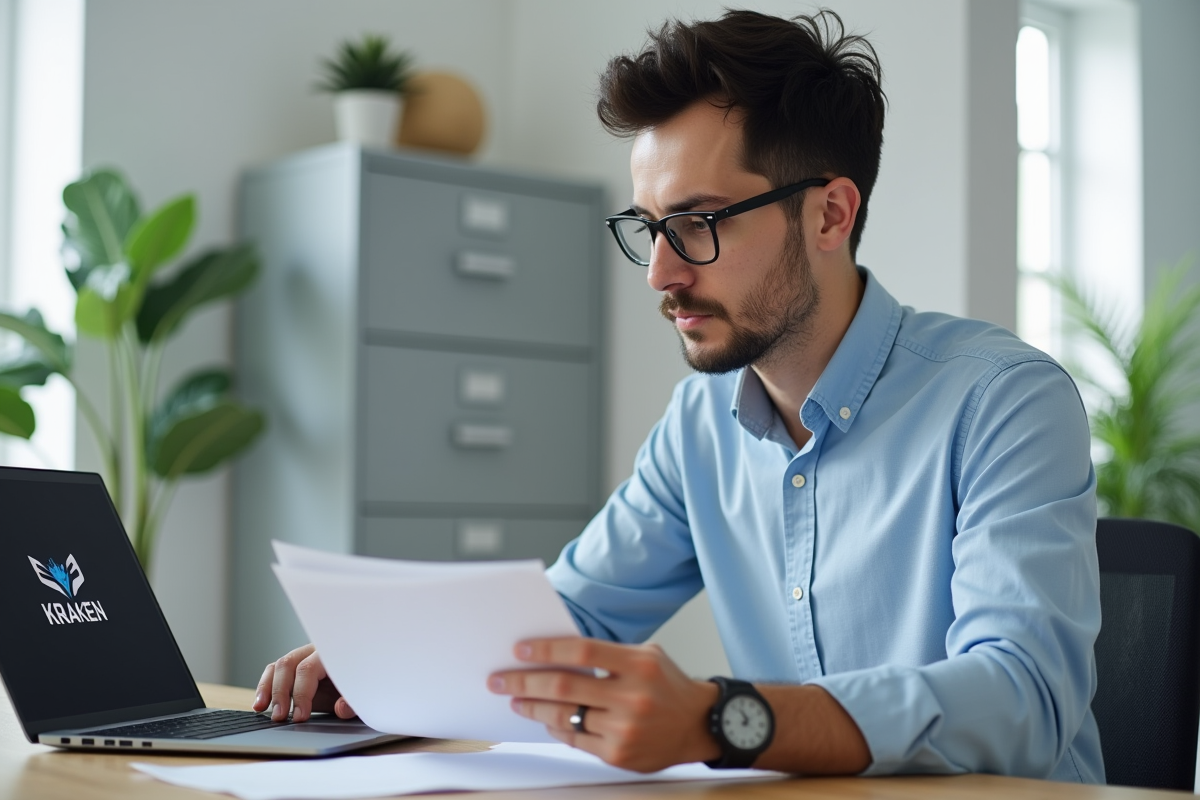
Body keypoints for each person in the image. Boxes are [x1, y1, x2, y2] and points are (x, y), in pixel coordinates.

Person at [254, 9, 1104, 782]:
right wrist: (388, 667)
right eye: (649, 228)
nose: (661, 273)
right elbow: (572, 617)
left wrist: (722, 720)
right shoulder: (702, 421)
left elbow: (1022, 698)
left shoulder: (1004, 402)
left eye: (698, 224)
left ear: (830, 216)